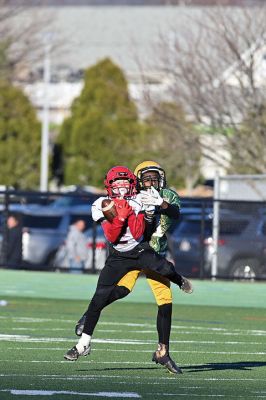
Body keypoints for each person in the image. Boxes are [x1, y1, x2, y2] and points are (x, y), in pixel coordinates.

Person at [64, 165, 192, 363]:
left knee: (165, 269)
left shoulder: (139, 199)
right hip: (118, 256)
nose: (122, 186)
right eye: (117, 183)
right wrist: (122, 215)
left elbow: (144, 233)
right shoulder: (100, 204)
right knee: (99, 298)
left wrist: (150, 213)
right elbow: (112, 235)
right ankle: (83, 344)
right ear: (109, 186)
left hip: (140, 250)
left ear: (132, 184)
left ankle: (180, 280)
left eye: (125, 182)